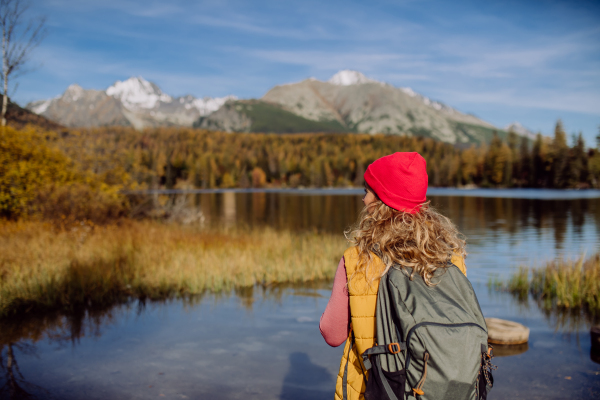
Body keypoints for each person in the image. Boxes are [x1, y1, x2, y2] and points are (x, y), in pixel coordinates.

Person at [319, 152, 467, 400]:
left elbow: (332, 335)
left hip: (374, 389)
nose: (364, 200)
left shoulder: (357, 259)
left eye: (367, 192)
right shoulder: (452, 257)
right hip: (436, 388)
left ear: (382, 201)